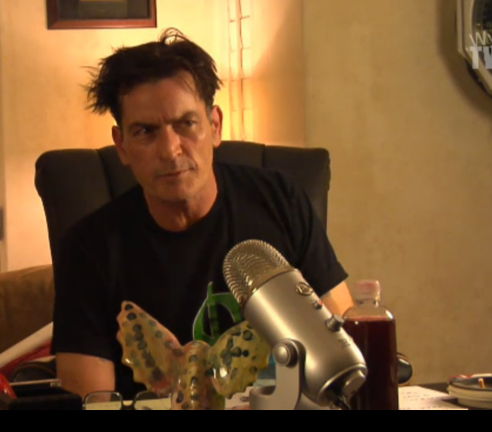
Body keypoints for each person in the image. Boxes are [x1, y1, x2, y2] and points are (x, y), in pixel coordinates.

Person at [52, 28, 354, 401]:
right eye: (145, 131)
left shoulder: (281, 200)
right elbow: (93, 402)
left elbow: (345, 347)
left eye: (186, 124)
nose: (170, 149)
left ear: (214, 126)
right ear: (122, 146)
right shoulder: (88, 248)